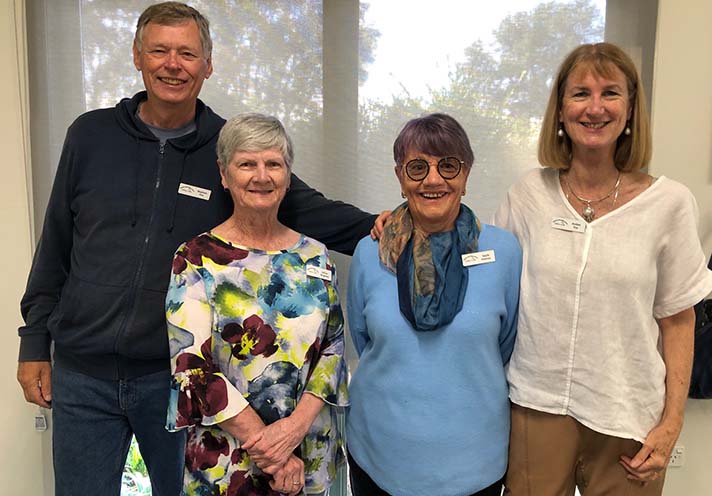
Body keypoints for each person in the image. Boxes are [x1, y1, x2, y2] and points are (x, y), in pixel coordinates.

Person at [16, 3, 373, 495]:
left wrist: (393, 225)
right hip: (83, 373)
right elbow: (55, 242)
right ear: (137, 56)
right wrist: (34, 341)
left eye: (187, 53)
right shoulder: (90, 135)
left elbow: (309, 209)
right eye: (159, 51)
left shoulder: (226, 148)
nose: (172, 64)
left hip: (168, 378)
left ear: (208, 64)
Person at [492, 42, 712, 495]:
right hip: (538, 405)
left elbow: (678, 320)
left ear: (630, 109)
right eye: (580, 94)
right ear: (560, 110)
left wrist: (672, 421)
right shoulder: (528, 196)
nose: (594, 108)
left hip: (628, 413)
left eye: (610, 93)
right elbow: (487, 280)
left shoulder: (669, 204)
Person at [166, 113, 347, 496]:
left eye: (273, 164)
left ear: (288, 175)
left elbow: (332, 349)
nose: (261, 176)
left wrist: (295, 428)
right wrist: (276, 453)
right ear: (224, 174)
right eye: (247, 164)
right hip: (227, 464)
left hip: (308, 457)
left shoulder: (315, 255)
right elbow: (191, 369)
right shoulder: (195, 258)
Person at [346, 113, 522, 496]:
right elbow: (363, 340)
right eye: (417, 167)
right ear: (400, 177)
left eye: (448, 165)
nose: (433, 180)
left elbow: (506, 345)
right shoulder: (369, 253)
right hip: (378, 456)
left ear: (466, 174)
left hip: (475, 462)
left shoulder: (505, 252)